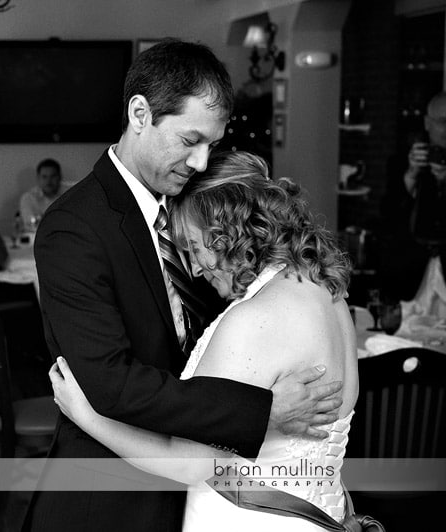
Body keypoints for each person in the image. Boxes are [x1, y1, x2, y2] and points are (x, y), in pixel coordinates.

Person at [24, 38, 342, 532]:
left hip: (202, 486)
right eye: (190, 140)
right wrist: (262, 410)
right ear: (140, 114)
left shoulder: (196, 204)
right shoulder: (75, 225)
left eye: (212, 145)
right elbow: (110, 384)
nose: (200, 161)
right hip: (112, 498)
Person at [50, 151, 358, 531]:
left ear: (227, 233)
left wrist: (87, 415)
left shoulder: (255, 320)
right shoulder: (328, 292)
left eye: (195, 247)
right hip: (326, 514)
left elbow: (190, 465)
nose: (194, 268)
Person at [379, 91, 446, 315]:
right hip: (411, 271)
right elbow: (388, 217)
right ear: (427, 123)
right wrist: (410, 176)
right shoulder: (404, 162)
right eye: (442, 123)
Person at [18, 158, 67, 231]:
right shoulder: (28, 198)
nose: (49, 181)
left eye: (53, 176)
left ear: (60, 177)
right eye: (44, 177)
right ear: (38, 178)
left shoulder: (69, 195)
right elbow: (29, 225)